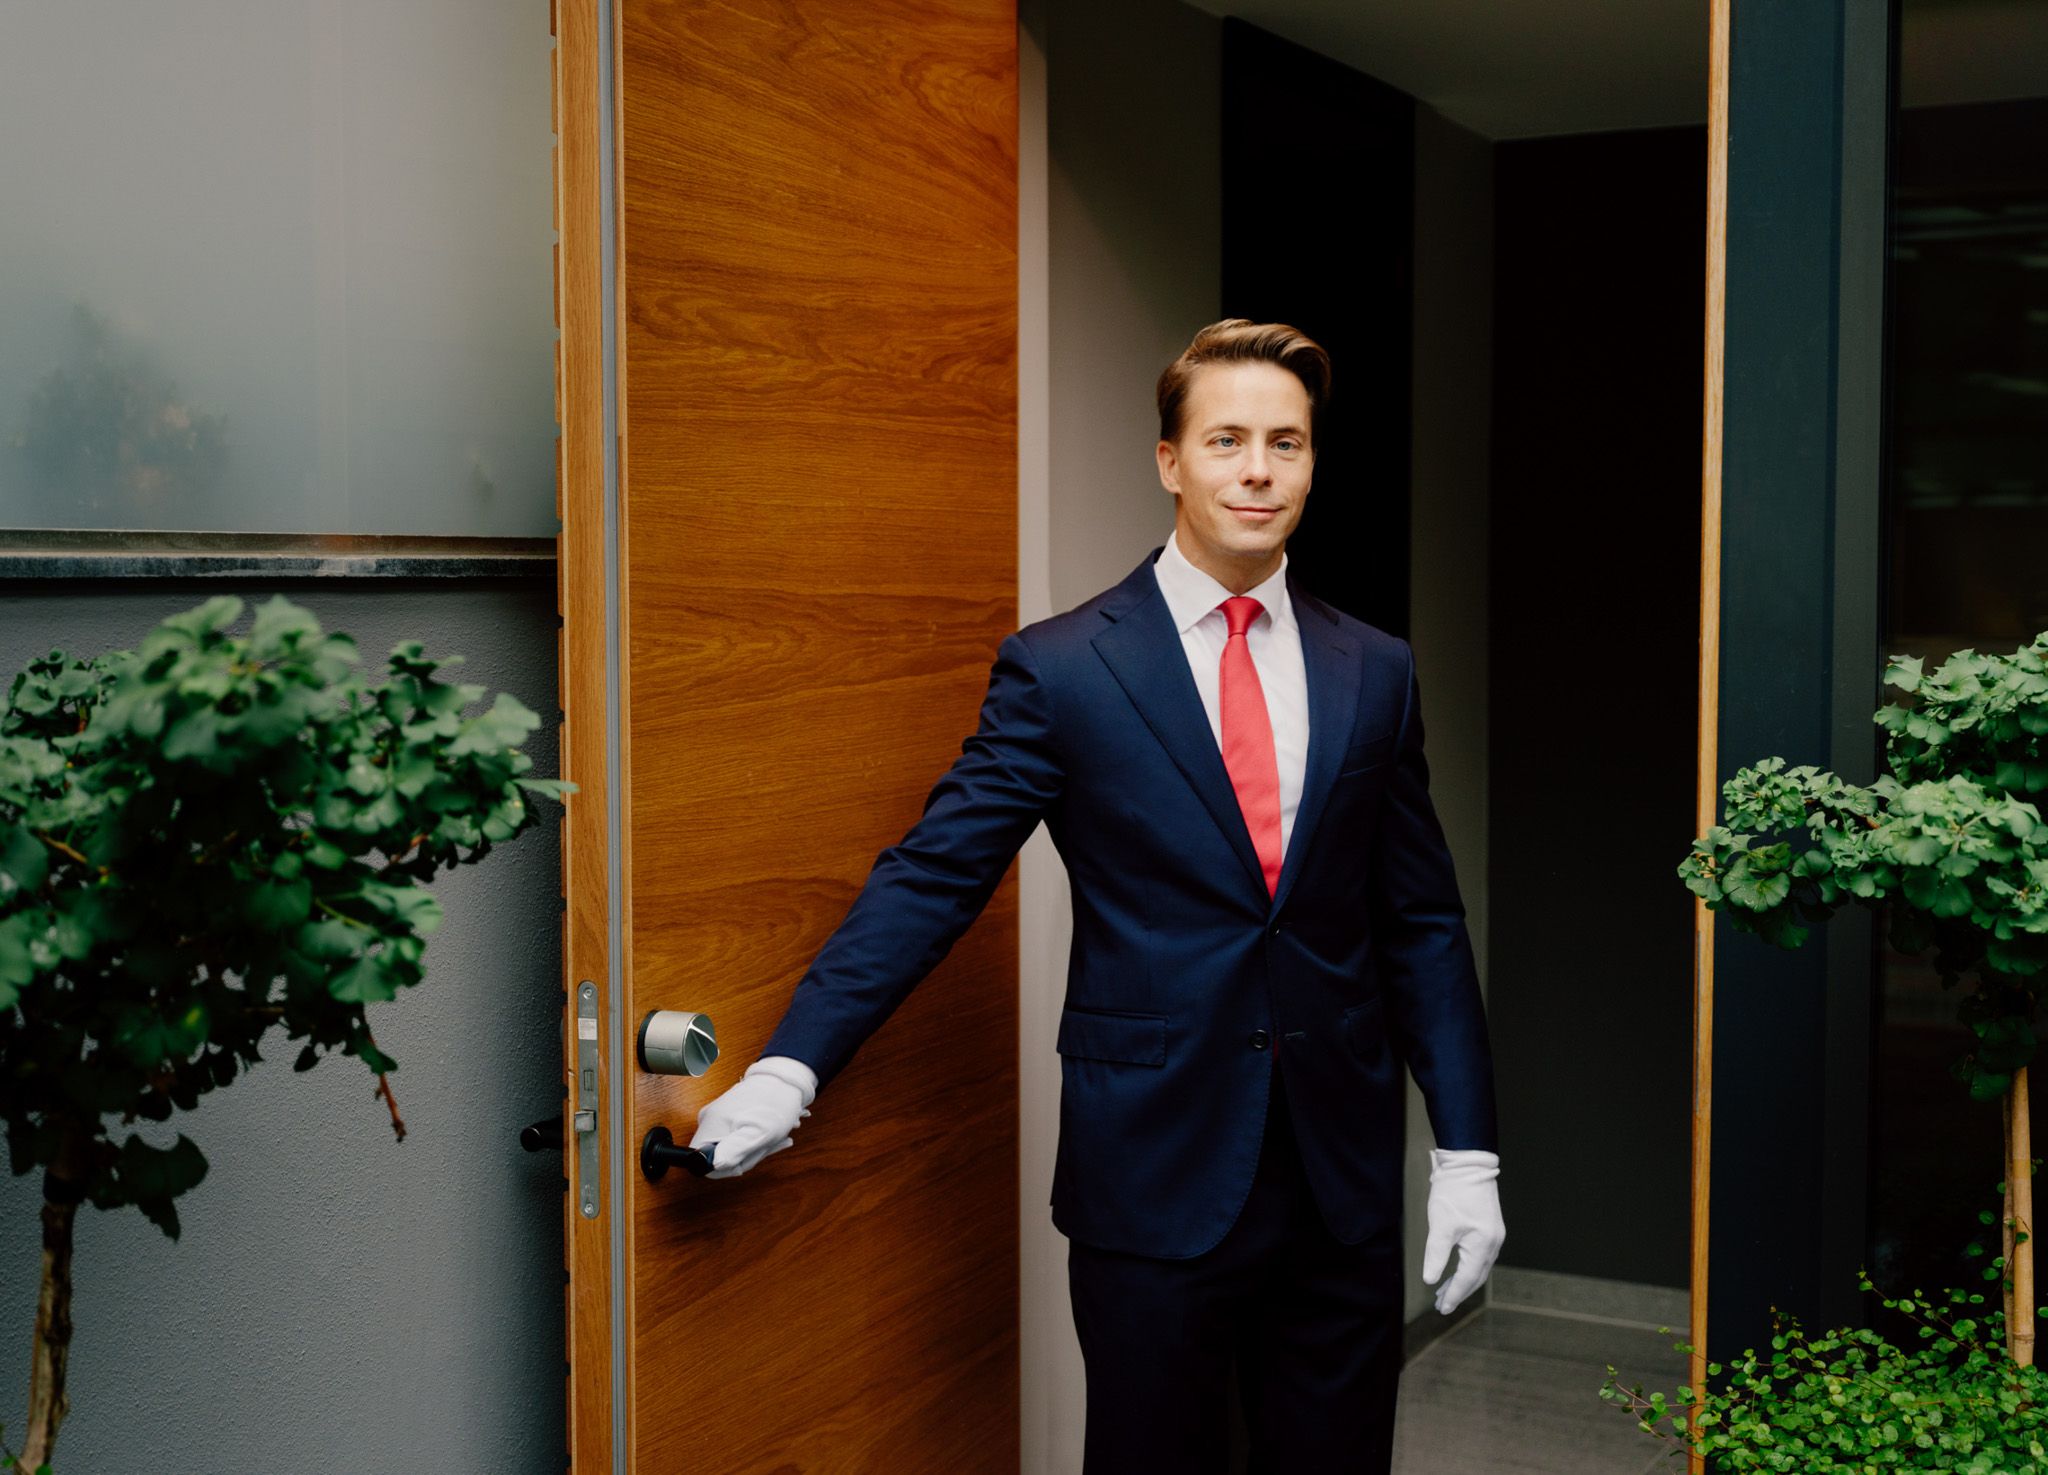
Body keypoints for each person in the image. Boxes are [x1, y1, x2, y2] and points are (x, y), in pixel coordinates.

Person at [691, 319, 1504, 1472]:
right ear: (1169, 460)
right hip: (1152, 1170)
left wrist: (1467, 1153)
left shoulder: (1374, 667)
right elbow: (935, 872)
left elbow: (1419, 921)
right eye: (1225, 440)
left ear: (1312, 462)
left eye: (1284, 442)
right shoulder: (1064, 667)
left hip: (1339, 1175)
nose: (1257, 469)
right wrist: (792, 1064)